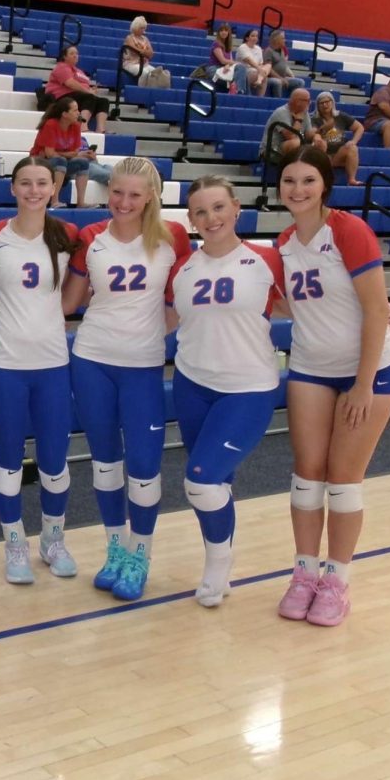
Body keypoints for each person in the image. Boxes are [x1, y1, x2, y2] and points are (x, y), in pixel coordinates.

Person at [274, 146, 390, 627]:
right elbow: (287, 302)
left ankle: (337, 581)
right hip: (310, 367)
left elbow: (374, 308)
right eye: (289, 181)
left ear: (324, 184)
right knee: (308, 473)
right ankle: (304, 573)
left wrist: (363, 384)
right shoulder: (284, 242)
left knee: (344, 478)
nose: (298, 189)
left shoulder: (349, 230)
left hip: (368, 371)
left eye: (308, 180)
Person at [61, 157, 191, 601]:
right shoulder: (91, 237)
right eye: (117, 192)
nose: (124, 202)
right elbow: (69, 301)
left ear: (151, 195)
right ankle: (116, 547)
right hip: (92, 358)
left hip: (142, 365)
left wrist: (150, 331)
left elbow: (183, 298)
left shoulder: (172, 237)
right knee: (105, 463)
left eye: (135, 194)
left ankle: (141, 553)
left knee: (142, 465)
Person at [165, 176, 286, 607]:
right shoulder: (182, 268)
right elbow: (164, 320)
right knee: (216, 485)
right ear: (191, 220)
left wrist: (376, 311)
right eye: (200, 211)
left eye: (218, 208)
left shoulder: (268, 259)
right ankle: (219, 559)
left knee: (201, 481)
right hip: (192, 385)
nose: (210, 218)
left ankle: (218, 563)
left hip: (247, 387)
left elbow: (311, 302)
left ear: (236, 208)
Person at [0, 157, 79, 584]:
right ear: (13, 188)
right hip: (4, 366)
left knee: (55, 461)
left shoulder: (68, 236)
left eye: (42, 183)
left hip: (53, 365)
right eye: (25, 183)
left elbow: (75, 294)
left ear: (53, 189)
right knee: (8, 461)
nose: (34, 190)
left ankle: (53, 539)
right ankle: (15, 543)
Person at [30, 98, 112, 209]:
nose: (78, 113)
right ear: (64, 114)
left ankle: (80, 202)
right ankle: (54, 201)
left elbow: (74, 153)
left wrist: (62, 153)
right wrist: (66, 154)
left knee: (82, 163)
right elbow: (49, 154)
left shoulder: (75, 126)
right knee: (60, 161)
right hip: (40, 162)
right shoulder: (51, 125)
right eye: (75, 110)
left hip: (61, 161)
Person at [44, 45, 110, 132]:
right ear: (64, 56)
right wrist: (88, 92)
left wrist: (91, 90)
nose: (75, 55)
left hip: (78, 96)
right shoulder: (61, 67)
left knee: (103, 101)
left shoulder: (79, 71)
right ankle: (82, 126)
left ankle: (100, 129)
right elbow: (70, 83)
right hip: (62, 98)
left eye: (76, 53)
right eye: (72, 53)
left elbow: (84, 85)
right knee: (89, 97)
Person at [311, 91, 365, 186]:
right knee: (319, 143)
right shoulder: (314, 119)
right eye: (321, 103)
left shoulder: (340, 116)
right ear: (317, 106)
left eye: (327, 102)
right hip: (323, 154)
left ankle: (352, 179)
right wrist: (323, 130)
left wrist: (354, 141)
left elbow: (359, 127)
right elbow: (314, 134)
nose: (325, 105)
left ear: (332, 103)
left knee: (352, 148)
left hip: (338, 153)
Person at [259, 87, 324, 164]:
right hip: (272, 150)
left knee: (321, 144)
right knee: (295, 143)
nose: (310, 103)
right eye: (307, 100)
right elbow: (290, 136)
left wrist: (316, 136)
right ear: (297, 101)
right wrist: (298, 120)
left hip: (293, 146)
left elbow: (307, 135)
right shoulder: (281, 112)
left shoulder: (304, 112)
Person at [204, 23, 249, 94]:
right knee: (240, 70)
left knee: (241, 70)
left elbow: (229, 62)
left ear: (228, 33)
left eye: (226, 30)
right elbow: (222, 60)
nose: (223, 32)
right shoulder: (216, 44)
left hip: (224, 68)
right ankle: (240, 92)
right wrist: (236, 63)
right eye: (221, 31)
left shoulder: (228, 46)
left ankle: (239, 91)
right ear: (218, 33)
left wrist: (228, 65)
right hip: (214, 69)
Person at [263, 30, 305, 97]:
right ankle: (278, 102)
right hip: (271, 78)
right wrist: (280, 78)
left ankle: (293, 100)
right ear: (276, 40)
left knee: (300, 82)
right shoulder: (268, 51)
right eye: (283, 38)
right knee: (278, 82)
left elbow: (284, 66)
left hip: (282, 77)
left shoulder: (282, 50)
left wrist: (290, 76)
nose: (285, 40)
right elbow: (269, 69)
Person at [122, 16, 158, 83]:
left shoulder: (146, 39)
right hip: (130, 63)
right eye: (141, 28)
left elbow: (151, 54)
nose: (143, 30)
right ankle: (141, 90)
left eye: (144, 28)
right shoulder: (129, 38)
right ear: (136, 27)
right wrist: (144, 52)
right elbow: (134, 50)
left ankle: (150, 90)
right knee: (144, 73)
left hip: (144, 64)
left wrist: (143, 52)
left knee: (155, 73)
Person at [235, 28, 271, 96]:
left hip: (257, 71)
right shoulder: (242, 47)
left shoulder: (258, 48)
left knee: (268, 66)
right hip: (245, 71)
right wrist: (260, 70)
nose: (255, 38)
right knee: (261, 75)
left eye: (256, 36)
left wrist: (260, 70)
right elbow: (249, 61)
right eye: (253, 36)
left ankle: (260, 96)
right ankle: (259, 79)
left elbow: (260, 63)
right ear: (247, 38)